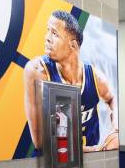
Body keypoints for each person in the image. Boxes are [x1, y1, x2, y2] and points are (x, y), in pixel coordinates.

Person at [24, 10, 118, 154]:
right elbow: (40, 142)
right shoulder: (37, 72)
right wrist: (95, 149)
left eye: (54, 33)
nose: (47, 37)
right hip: (52, 166)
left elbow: (112, 99)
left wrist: (116, 130)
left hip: (90, 162)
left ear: (73, 46)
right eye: (47, 31)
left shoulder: (94, 76)